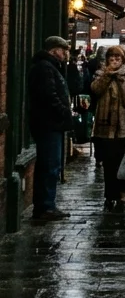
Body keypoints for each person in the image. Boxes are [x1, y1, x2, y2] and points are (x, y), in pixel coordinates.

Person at [27, 36, 75, 222]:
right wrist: (63, 111)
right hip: (48, 124)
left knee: (50, 165)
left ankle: (47, 205)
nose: (65, 55)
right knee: (50, 165)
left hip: (49, 123)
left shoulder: (49, 67)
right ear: (55, 50)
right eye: (64, 51)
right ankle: (45, 206)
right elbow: (49, 95)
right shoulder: (45, 68)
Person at [90, 44, 125, 211]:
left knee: (123, 161)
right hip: (105, 126)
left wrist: (121, 78)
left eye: (117, 58)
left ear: (123, 59)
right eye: (111, 59)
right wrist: (107, 76)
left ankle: (123, 191)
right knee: (109, 163)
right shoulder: (101, 75)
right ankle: (110, 194)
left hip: (124, 125)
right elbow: (95, 90)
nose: (114, 62)